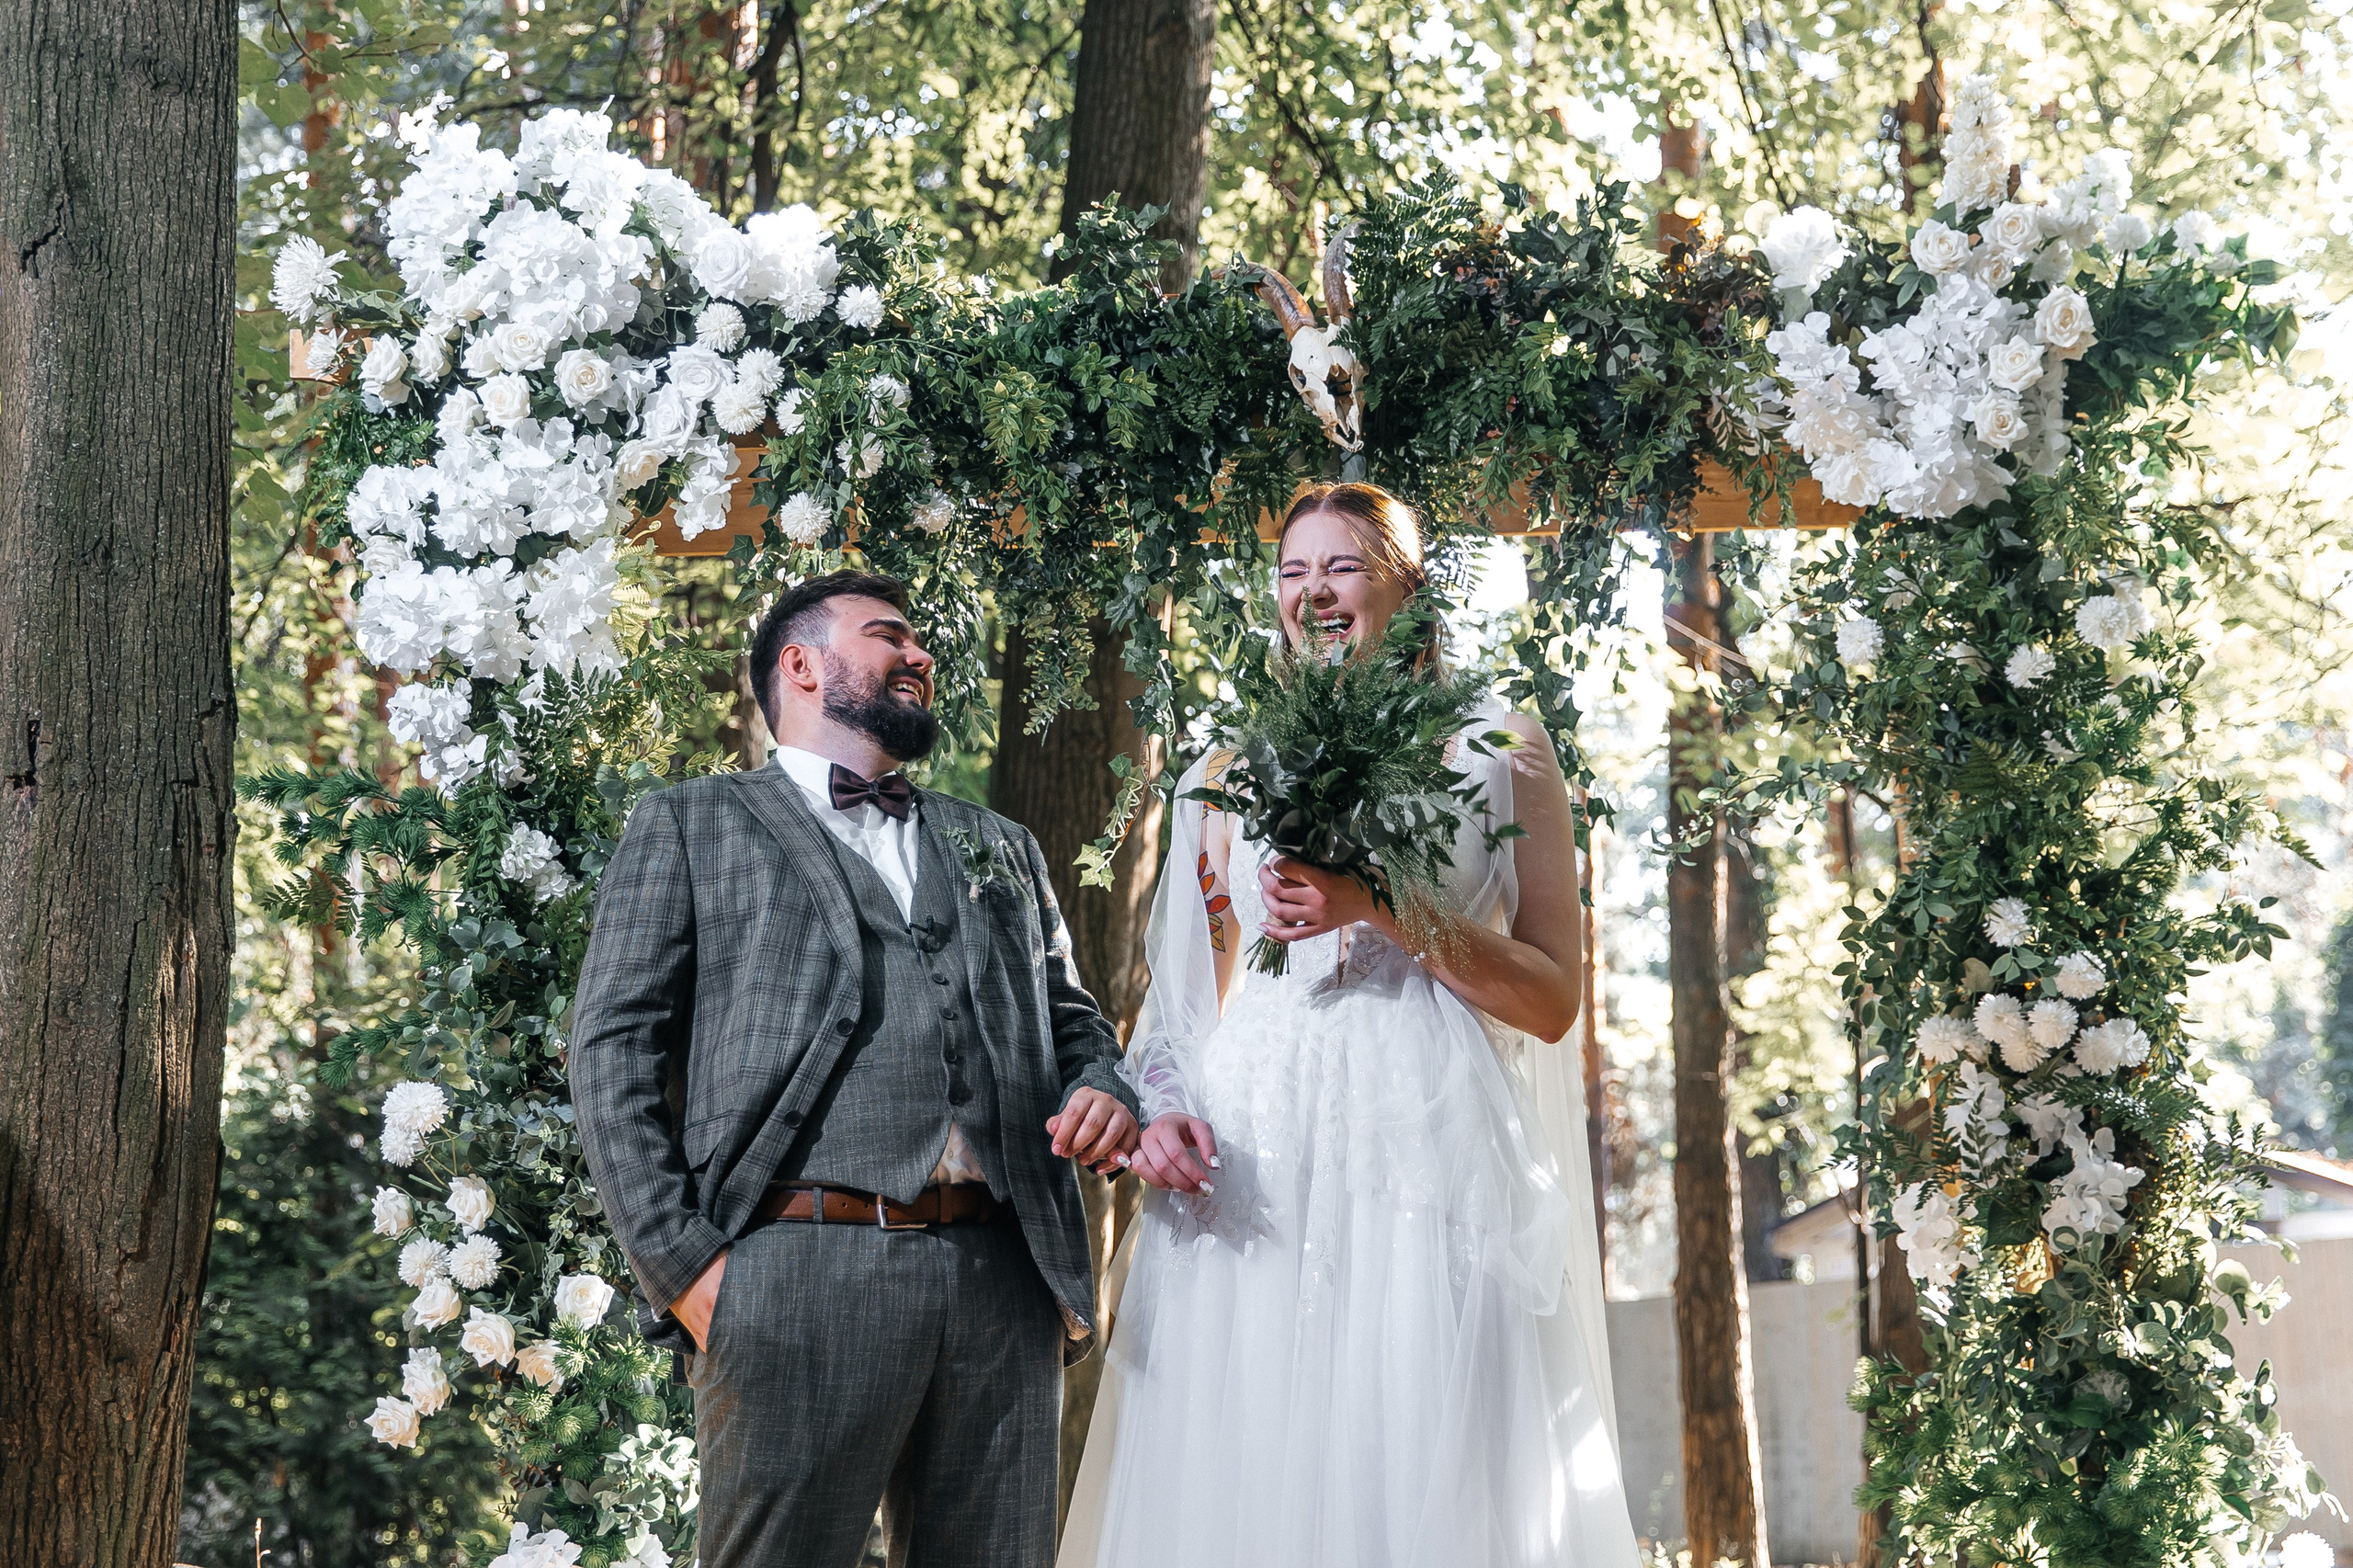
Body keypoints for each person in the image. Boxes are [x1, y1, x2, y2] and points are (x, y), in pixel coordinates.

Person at [1059, 484, 1641, 1568]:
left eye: (1342, 565)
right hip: (1254, 1154)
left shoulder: (1500, 746)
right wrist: (1166, 1112)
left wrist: (1381, 907)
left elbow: (1554, 1000)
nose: (1312, 590)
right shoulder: (1219, 773)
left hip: (1422, 1149)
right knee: (1242, 1455)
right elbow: (1180, 1010)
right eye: (1292, 570)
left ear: (1407, 588)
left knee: (1420, 1432)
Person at [571, 569, 1142, 1568]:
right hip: (792, 1272)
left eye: (918, 641)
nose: (919, 655)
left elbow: (1074, 1021)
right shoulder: (690, 824)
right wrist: (689, 1272)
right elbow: (610, 1048)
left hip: (1004, 1278)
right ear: (800, 662)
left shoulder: (999, 845)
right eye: (889, 636)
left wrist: (1103, 1084)